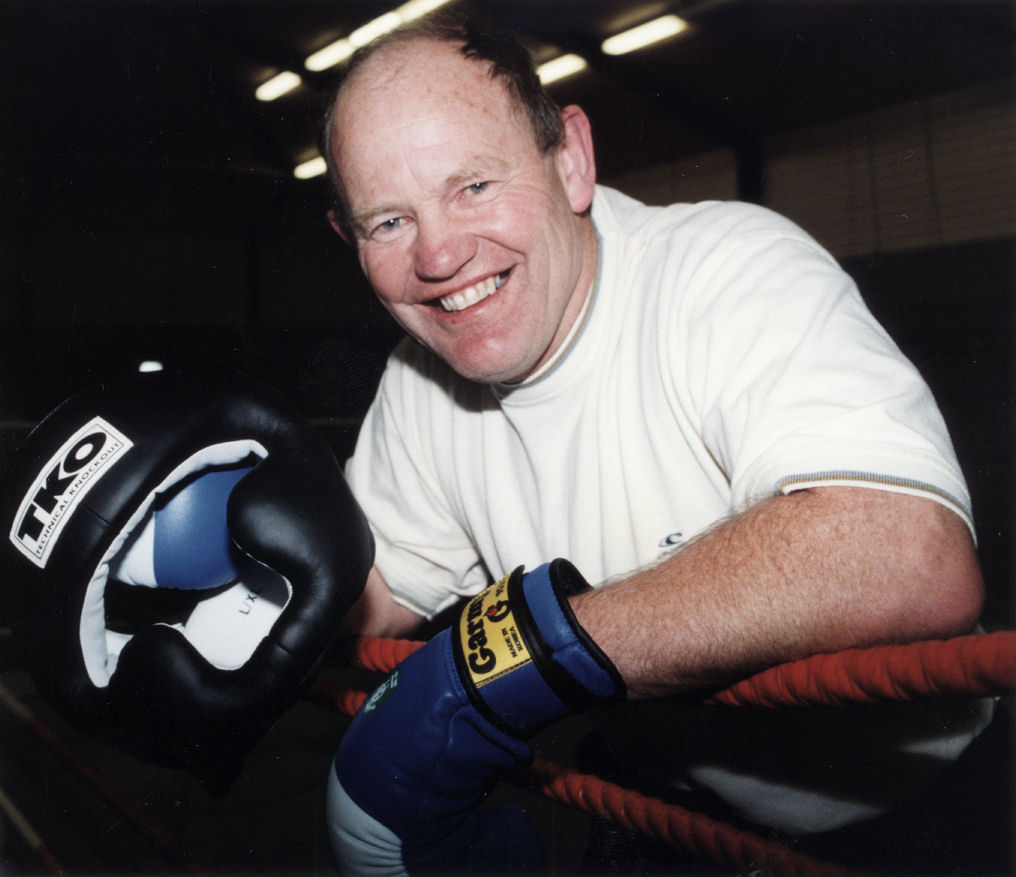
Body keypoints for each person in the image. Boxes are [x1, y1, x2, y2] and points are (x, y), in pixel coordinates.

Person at [319, 17, 1002, 874]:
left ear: (571, 160)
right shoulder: (417, 381)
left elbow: (906, 555)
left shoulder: (727, 269)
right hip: (673, 807)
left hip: (915, 816)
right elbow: (373, 594)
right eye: (388, 222)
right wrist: (224, 581)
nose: (440, 254)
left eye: (475, 185)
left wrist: (527, 657)